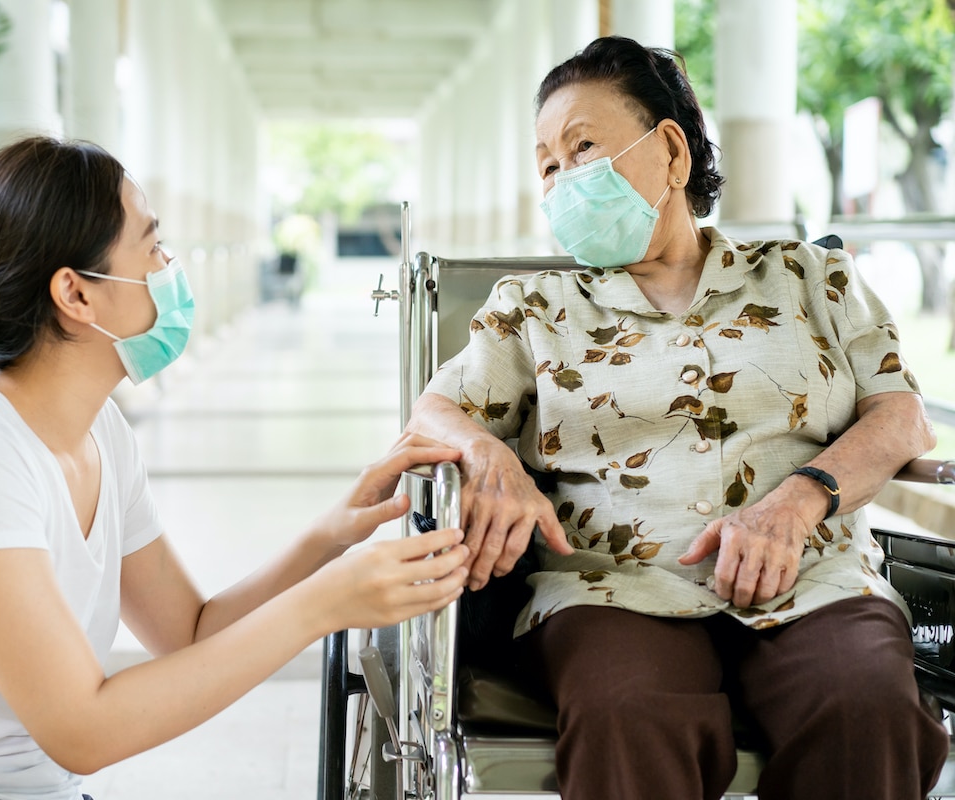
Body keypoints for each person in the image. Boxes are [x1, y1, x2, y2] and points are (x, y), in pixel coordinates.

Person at [0, 136, 470, 800]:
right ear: (76, 295)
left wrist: (330, 539)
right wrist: (323, 606)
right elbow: (82, 731)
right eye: (151, 247)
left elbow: (188, 633)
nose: (170, 265)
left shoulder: (99, 434)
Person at [405, 36, 949, 799]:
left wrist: (799, 501)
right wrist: (491, 458)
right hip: (612, 587)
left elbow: (901, 419)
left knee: (865, 708)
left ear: (670, 150)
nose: (562, 180)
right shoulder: (533, 308)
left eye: (581, 148)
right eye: (548, 166)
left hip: (812, 576)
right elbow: (432, 415)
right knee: (628, 711)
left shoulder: (810, 278)